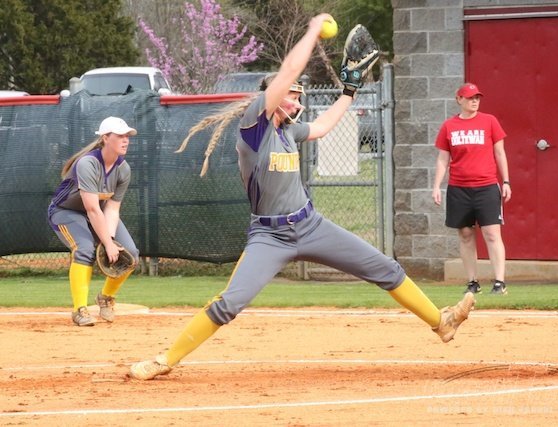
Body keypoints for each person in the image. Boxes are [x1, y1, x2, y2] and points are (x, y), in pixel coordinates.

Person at [130, 14, 475, 380]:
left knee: (386, 269)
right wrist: (312, 32)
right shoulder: (254, 128)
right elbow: (289, 71)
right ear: (272, 97)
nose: (297, 101)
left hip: (310, 225)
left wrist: (349, 92)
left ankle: (441, 322)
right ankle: (166, 359)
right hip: (270, 236)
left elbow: (323, 126)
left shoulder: (289, 133)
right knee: (230, 303)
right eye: (292, 95)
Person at [48, 116, 140, 326]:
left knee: (130, 254)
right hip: (66, 212)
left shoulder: (123, 169)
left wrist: (111, 241)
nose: (126, 140)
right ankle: (80, 310)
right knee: (84, 249)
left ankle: (106, 298)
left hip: (99, 213)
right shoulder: (88, 163)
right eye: (120, 136)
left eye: (127, 136)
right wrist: (107, 243)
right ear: (105, 138)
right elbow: (91, 209)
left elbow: (112, 208)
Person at [432, 83, 511, 295]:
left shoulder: (489, 121)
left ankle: (499, 282)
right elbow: (442, 159)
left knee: (492, 233)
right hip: (459, 188)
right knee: (466, 234)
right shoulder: (449, 126)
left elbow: (500, 153)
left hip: (486, 186)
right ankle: (472, 282)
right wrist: (437, 186)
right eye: (469, 98)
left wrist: (506, 181)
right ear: (459, 99)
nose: (474, 101)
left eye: (477, 97)